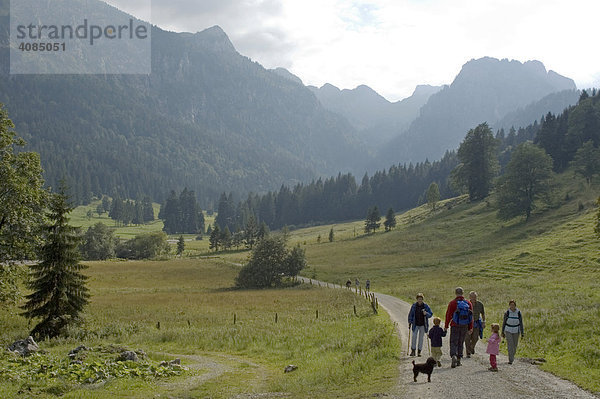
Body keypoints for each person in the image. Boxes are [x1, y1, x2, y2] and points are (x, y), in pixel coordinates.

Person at [444, 287, 473, 368]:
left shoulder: (452, 303)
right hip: (464, 325)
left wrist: (446, 326)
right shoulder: (468, 303)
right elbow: (471, 317)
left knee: (453, 341)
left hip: (454, 325)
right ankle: (459, 359)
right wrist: (470, 327)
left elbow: (448, 315)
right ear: (463, 293)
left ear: (455, 293)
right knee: (461, 342)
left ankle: (453, 355)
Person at [502, 299, 524, 364]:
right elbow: (504, 322)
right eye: (511, 305)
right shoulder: (507, 313)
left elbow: (521, 322)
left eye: (513, 305)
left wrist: (522, 332)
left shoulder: (518, 312)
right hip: (508, 329)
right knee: (510, 344)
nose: (512, 306)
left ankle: (512, 356)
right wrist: (502, 331)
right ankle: (510, 359)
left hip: (516, 330)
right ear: (509, 305)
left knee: (515, 345)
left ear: (515, 305)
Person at [465, 291, 485, 357]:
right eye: (472, 297)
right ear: (469, 297)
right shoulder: (466, 304)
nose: (473, 298)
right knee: (467, 338)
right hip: (467, 324)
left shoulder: (480, 304)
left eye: (475, 297)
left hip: (476, 323)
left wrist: (483, 322)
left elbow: (483, 313)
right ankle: (468, 352)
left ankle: (472, 347)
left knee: (475, 338)